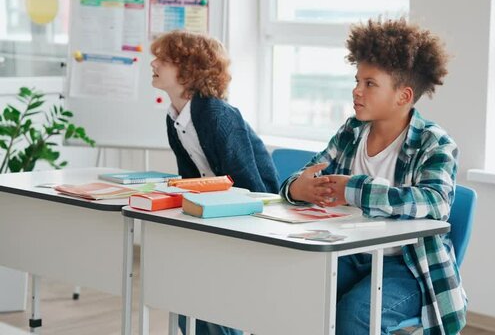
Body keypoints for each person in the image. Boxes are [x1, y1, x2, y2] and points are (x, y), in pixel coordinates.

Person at [280, 18, 467, 334]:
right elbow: (306, 174)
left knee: (355, 314)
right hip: (349, 252)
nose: (356, 91)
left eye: (370, 83)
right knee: (292, 293)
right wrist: (299, 188)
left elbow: (434, 203)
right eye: (357, 80)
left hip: (408, 266)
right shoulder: (352, 132)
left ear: (403, 96)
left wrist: (353, 189)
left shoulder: (434, 143)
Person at [150, 31, 279, 335]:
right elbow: (189, 181)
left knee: (212, 299)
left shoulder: (217, 114)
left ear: (188, 70)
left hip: (249, 218)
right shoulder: (175, 118)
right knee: (184, 303)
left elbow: (250, 187)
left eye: (164, 59)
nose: (153, 62)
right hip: (217, 215)